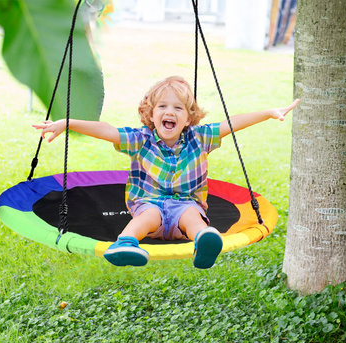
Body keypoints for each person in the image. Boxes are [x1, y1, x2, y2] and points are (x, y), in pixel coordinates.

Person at [33, 76, 299, 269]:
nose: (169, 112)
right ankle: (125, 243)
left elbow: (232, 123)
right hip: (149, 205)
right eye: (162, 107)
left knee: (193, 217)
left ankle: (205, 239)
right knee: (148, 214)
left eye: (178, 108)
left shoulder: (200, 137)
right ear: (150, 114)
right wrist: (67, 123)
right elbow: (106, 130)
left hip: (186, 205)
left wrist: (267, 113)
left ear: (189, 118)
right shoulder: (140, 139)